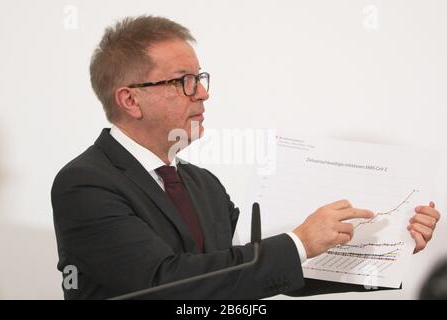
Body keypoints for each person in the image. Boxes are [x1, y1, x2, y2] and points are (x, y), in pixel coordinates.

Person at [51, 15, 441, 300]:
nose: (202, 94)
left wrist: (389, 251)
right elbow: (161, 283)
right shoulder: (85, 183)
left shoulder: (202, 183)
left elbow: (252, 272)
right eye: (184, 80)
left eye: (200, 79)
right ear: (130, 99)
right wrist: (300, 240)